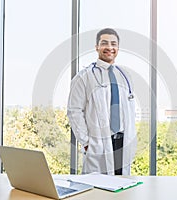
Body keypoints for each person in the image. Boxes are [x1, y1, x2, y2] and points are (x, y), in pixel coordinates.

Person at [67, 28, 137, 175]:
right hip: (98, 143)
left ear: (118, 48)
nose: (109, 47)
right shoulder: (84, 77)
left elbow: (129, 111)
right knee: (97, 192)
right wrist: (86, 143)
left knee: (121, 190)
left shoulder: (124, 76)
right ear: (97, 47)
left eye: (114, 44)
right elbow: (74, 111)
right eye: (104, 43)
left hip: (123, 143)